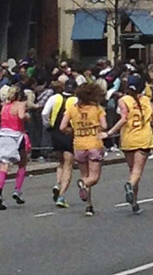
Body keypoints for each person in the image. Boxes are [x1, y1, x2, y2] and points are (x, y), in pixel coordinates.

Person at [105, 75, 153, 215]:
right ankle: (130, 187)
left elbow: (123, 119)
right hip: (143, 138)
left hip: (128, 138)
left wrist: (110, 132)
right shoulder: (147, 100)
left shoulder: (123, 100)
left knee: (132, 170)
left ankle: (134, 203)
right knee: (137, 171)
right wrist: (151, 131)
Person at [60, 82, 107, 217]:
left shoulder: (72, 109)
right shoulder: (97, 109)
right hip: (93, 143)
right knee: (94, 177)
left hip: (78, 144)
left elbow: (62, 127)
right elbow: (104, 125)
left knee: (85, 174)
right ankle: (83, 184)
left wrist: (73, 130)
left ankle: (89, 205)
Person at [0, 86, 30, 211]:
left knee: (3, 167)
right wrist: (26, 116)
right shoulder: (20, 104)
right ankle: (17, 190)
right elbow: (20, 116)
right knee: (22, 163)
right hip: (16, 135)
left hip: (2, 135)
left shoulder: (4, 106)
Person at [42, 79, 77, 208]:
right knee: (68, 164)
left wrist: (48, 125)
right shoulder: (76, 100)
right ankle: (61, 196)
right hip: (69, 133)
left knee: (60, 162)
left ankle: (57, 183)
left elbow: (45, 113)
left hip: (55, 133)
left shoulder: (55, 97)